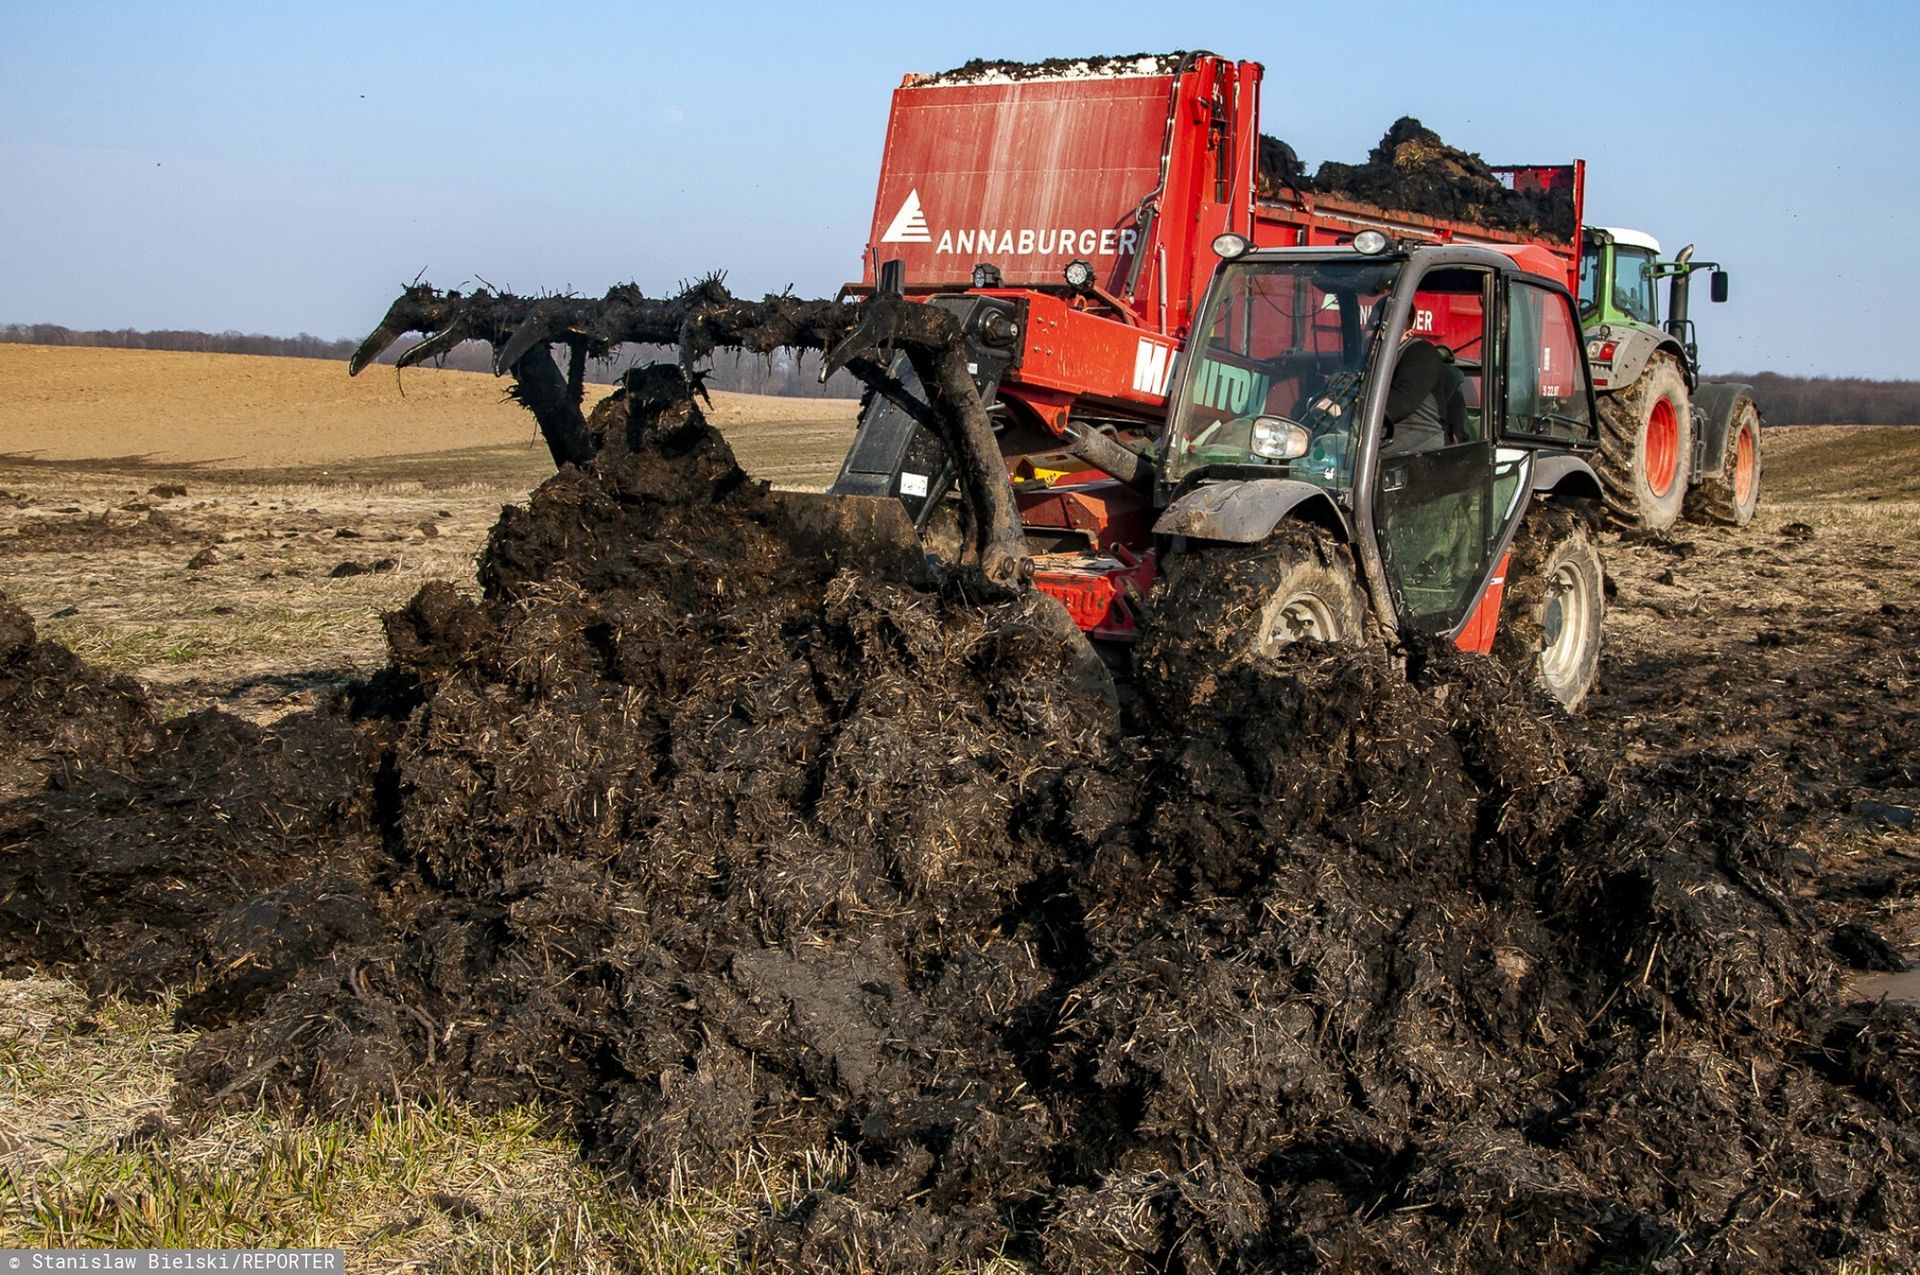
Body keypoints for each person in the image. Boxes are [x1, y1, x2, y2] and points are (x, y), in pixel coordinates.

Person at [1381, 336, 1465, 454]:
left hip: (1420, 446)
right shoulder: (1372, 360)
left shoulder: (1421, 353)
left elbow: (1401, 403)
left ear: (1406, 333)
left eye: (1377, 329)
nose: (1369, 335)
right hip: (1393, 440)